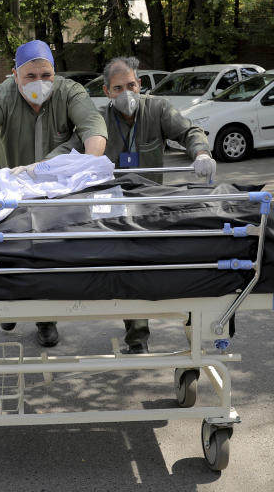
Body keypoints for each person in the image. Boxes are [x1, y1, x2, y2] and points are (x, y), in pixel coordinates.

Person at [0, 39, 108, 347]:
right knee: (7, 251)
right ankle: (8, 305)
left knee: (48, 254)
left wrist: (90, 162)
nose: (39, 83)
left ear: (54, 73)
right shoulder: (1, 96)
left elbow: (92, 127)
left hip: (54, 190)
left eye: (46, 75)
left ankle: (45, 319)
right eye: (30, 76)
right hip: (11, 190)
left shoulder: (70, 92)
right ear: (15, 75)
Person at [73, 56, 217, 353]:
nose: (126, 93)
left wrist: (201, 153)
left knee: (170, 259)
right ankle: (138, 336)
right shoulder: (99, 120)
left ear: (139, 84)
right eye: (118, 88)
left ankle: (193, 321)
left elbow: (189, 131)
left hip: (151, 197)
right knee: (126, 262)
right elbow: (73, 149)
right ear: (106, 91)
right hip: (110, 200)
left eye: (131, 85)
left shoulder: (157, 108)